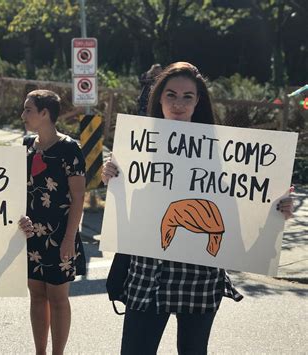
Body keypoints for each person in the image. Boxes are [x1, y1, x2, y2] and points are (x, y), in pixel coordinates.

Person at [102, 62, 294, 355]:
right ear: (159, 99)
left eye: (187, 96)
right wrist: (112, 182)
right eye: (171, 95)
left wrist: (275, 210)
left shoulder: (223, 153)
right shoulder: (138, 147)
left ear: (198, 102)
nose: (178, 104)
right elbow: (127, 215)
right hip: (147, 274)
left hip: (200, 276)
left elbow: (240, 213)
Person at [19, 89, 86, 355]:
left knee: (58, 298)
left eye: (28, 110)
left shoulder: (70, 148)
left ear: (45, 113)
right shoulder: (26, 145)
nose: (23, 115)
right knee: (36, 296)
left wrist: (70, 238)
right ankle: (40, 352)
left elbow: (79, 196)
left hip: (60, 235)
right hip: (31, 235)